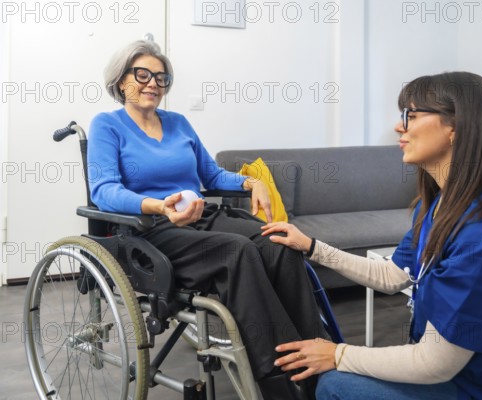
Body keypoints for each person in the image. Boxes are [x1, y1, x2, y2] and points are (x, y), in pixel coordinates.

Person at [262, 72, 482, 399]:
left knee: (337, 384)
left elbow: (434, 363)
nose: (399, 126)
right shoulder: (443, 207)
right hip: (475, 377)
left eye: (410, 115)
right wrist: (311, 247)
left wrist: (338, 354)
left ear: (455, 126)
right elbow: (392, 275)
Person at [87, 39, 327, 400]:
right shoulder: (107, 125)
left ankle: (315, 357)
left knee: (280, 240)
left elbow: (212, 176)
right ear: (122, 81)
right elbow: (103, 190)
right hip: (150, 231)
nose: (153, 83)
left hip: (201, 217)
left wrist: (252, 181)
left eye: (161, 77)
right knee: (237, 251)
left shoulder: (178, 123)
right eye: (143, 74)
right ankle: (278, 379)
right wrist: (158, 206)